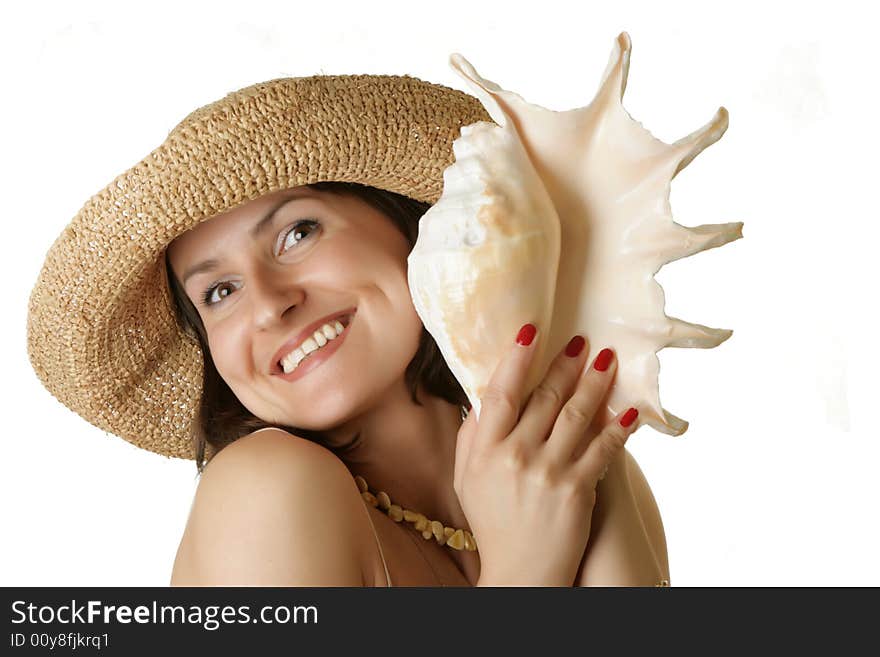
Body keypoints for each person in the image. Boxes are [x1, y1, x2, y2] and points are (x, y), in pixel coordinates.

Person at [26, 71, 670, 587]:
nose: (269, 305)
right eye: (219, 292)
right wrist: (526, 574)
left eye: (297, 233)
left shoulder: (571, 467)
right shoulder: (267, 488)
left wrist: (581, 473)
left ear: (408, 225)